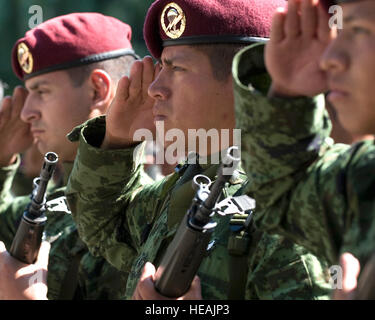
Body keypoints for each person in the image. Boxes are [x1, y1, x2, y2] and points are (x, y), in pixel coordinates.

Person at [66, 0, 333, 300]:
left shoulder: (287, 211)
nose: (154, 87)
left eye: (176, 68)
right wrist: (116, 141)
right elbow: (103, 229)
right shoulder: (190, 183)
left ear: (242, 79)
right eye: (159, 67)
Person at [0, 12, 151, 300]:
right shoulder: (54, 202)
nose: (26, 112)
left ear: (97, 90)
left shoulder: (143, 213)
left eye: (41, 91)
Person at [232, 0, 375, 298]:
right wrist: (288, 93)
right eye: (341, 28)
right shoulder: (365, 173)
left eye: (359, 29)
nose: (330, 58)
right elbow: (282, 197)